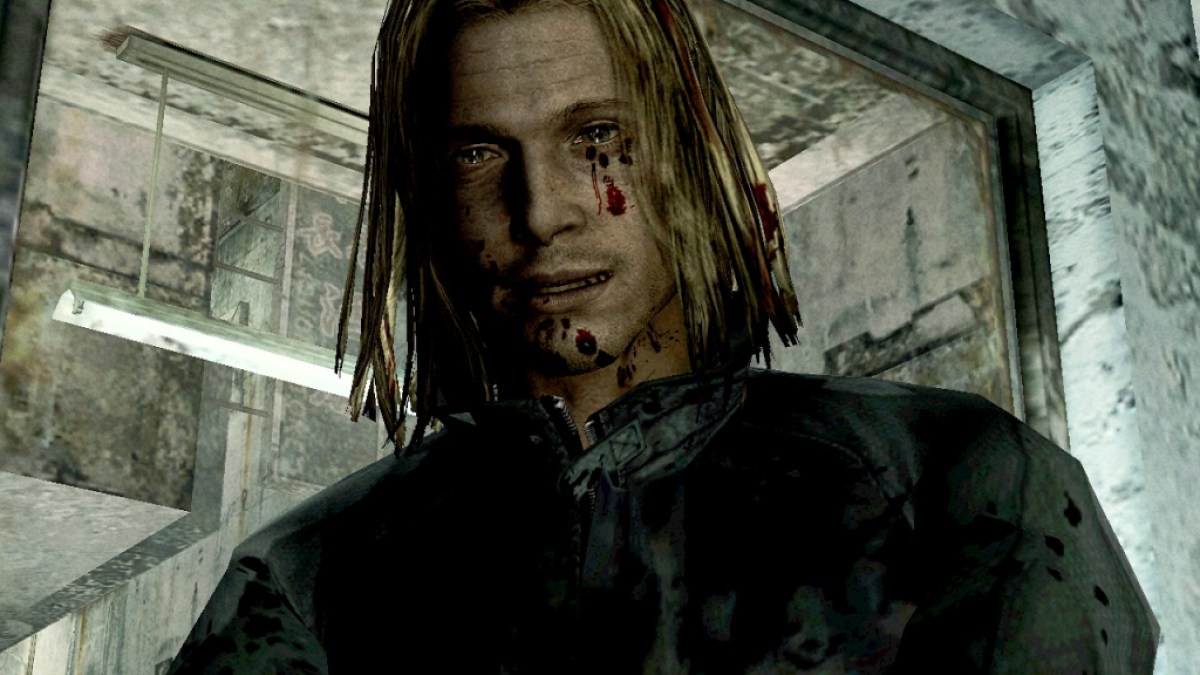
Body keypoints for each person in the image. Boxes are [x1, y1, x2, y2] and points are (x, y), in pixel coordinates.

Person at [167, 0, 1159, 672]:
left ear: (689, 150)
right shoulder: (306, 577)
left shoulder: (955, 477)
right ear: (426, 196)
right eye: (478, 154)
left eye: (597, 137)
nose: (543, 210)